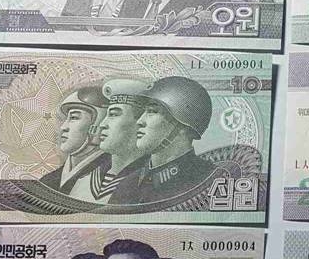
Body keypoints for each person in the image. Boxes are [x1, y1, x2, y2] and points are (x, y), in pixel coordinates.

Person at [106, 76, 218, 206]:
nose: (140, 121)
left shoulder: (211, 180)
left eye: (152, 111)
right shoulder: (127, 185)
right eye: (143, 112)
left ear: (182, 126)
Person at [37, 85, 110, 202]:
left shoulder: (112, 177)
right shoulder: (47, 181)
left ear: (96, 125)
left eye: (74, 117)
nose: (63, 127)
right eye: (67, 118)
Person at [84, 78, 151, 204]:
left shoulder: (150, 184)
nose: (102, 124)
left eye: (114, 114)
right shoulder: (84, 180)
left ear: (140, 122)